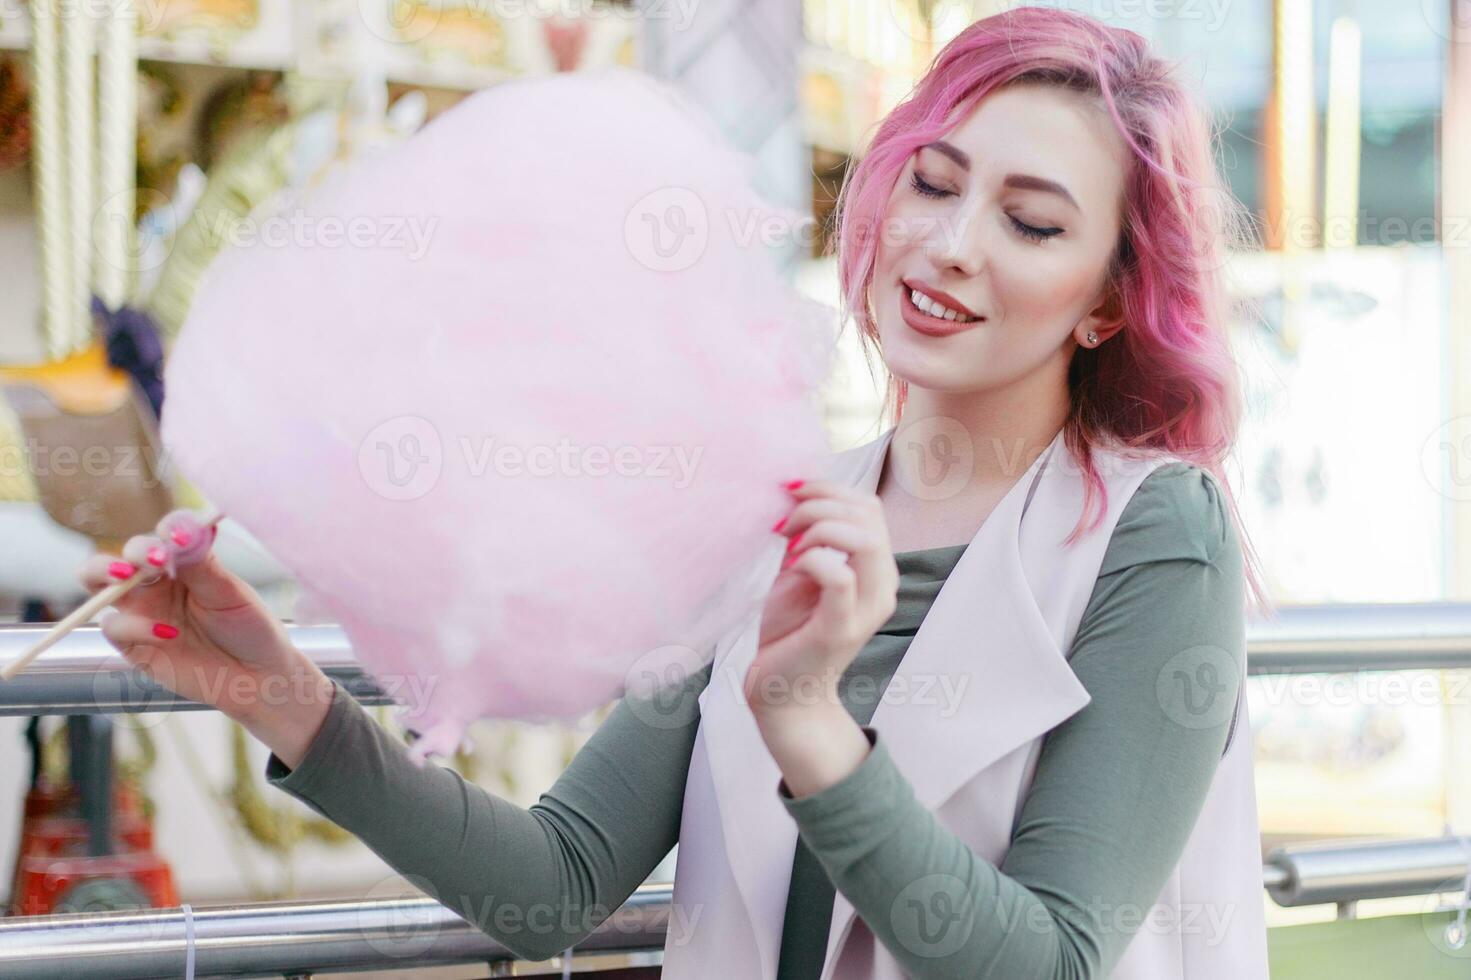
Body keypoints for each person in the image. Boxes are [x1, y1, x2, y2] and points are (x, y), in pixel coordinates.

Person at [80, 8, 1273, 978]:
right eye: (933, 183)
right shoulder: (775, 511)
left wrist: (806, 714)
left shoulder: (1154, 532)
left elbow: (1050, 963)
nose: (952, 243)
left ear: (1107, 299)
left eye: (1028, 220)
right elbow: (553, 882)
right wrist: (271, 687)